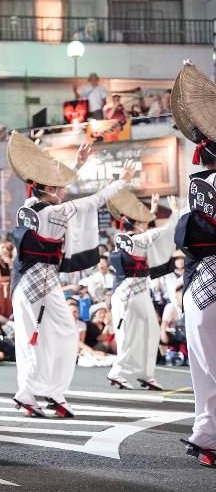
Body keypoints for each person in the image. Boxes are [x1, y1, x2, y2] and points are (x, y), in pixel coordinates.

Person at [8, 131, 134, 419]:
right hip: (41, 283)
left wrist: (77, 165)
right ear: (49, 189)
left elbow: (59, 188)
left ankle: (33, 391)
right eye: (59, 188)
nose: (64, 191)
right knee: (63, 334)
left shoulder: (27, 208)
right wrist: (121, 182)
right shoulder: (58, 212)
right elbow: (95, 200)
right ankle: (45, 391)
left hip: (23, 280)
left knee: (35, 337)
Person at [170, 62, 216, 466]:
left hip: (198, 286)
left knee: (204, 368)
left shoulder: (197, 186)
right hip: (208, 282)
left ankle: (206, 434)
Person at [106, 190, 180, 390]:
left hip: (134, 291)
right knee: (130, 334)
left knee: (151, 330)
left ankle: (146, 374)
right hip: (129, 292)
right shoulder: (138, 240)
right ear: (135, 223)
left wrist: (153, 210)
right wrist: (174, 212)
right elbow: (165, 231)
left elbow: (147, 230)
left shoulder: (126, 238)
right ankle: (118, 372)